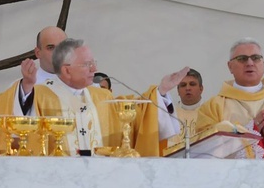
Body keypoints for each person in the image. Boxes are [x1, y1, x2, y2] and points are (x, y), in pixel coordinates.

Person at [22, 38, 183, 157]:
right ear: (66, 70)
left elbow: (139, 114)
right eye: (87, 64)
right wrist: (27, 86)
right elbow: (18, 127)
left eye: (94, 62)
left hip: (102, 181)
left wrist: (161, 91)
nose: (95, 69)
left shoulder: (103, 96)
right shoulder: (39, 95)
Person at [0, 26, 66, 155]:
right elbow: (13, 132)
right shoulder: (21, 87)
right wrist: (27, 87)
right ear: (38, 53)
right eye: (51, 47)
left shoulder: (86, 88)